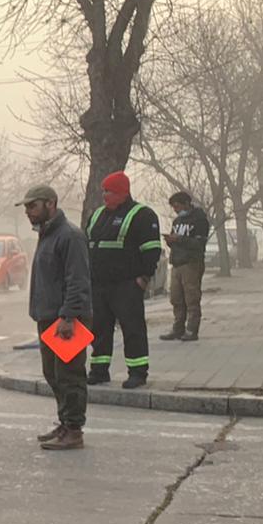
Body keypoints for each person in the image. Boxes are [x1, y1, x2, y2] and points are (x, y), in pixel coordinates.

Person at [23, 184, 92, 450]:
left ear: (50, 204)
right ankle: (65, 422)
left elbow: (77, 280)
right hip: (48, 318)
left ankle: (74, 430)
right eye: (27, 207)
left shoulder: (70, 236)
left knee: (69, 375)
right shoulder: (48, 234)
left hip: (65, 320)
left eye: (33, 206)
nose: (28, 212)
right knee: (52, 373)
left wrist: (68, 317)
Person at [85, 171, 161, 389]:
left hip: (126, 284)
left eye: (108, 191)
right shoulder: (98, 214)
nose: (104, 196)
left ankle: (137, 372)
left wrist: (143, 278)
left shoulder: (142, 215)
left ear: (122, 193)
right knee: (99, 329)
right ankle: (99, 370)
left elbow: (151, 250)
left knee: (132, 328)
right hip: (99, 284)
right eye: (103, 191)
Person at [162, 190, 210, 342]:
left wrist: (180, 239)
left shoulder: (199, 220)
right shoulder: (177, 222)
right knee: (176, 298)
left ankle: (192, 329)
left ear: (186, 204)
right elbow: (175, 239)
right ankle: (178, 328)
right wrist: (170, 241)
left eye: (177, 206)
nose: (175, 210)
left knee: (191, 298)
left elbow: (199, 244)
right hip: (177, 262)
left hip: (191, 263)